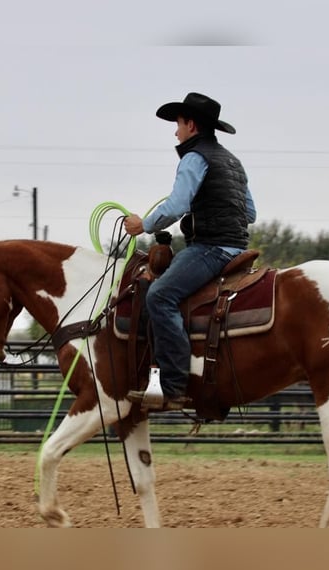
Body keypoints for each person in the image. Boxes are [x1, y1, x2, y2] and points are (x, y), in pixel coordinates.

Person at [124, 92, 257, 409]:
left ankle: (172, 386)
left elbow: (178, 204)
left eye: (179, 124)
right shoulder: (232, 162)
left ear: (192, 125)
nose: (175, 132)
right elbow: (249, 213)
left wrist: (144, 225)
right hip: (236, 246)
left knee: (160, 296)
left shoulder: (194, 158)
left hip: (212, 248)